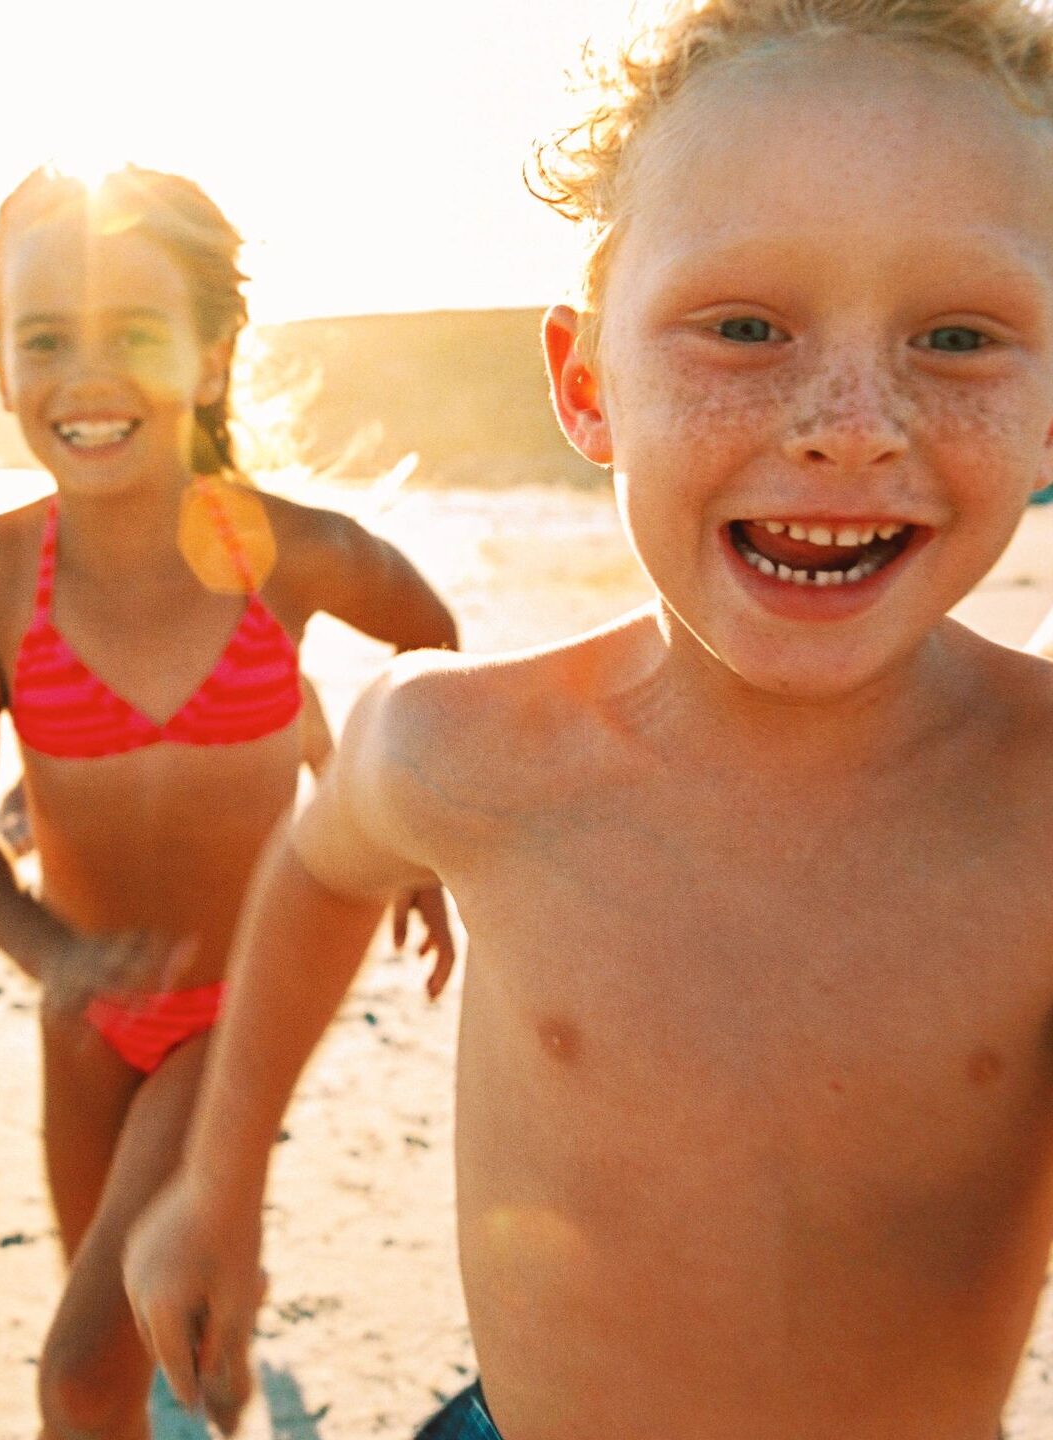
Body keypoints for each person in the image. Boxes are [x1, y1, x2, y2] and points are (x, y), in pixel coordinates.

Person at [121, 2, 1053, 1436]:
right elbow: (321, 864)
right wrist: (218, 1184)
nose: (852, 421)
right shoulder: (467, 754)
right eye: (743, 325)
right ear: (585, 382)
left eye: (960, 335)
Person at [0, 163, 458, 1440]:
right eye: (44, 338)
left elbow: (437, 662)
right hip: (84, 1016)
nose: (86, 374)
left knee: (79, 1376)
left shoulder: (293, 548)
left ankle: (219, 1300)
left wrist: (415, 840)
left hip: (236, 1008)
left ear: (213, 359)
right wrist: (54, 954)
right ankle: (227, 1311)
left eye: (137, 335)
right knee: (143, 1328)